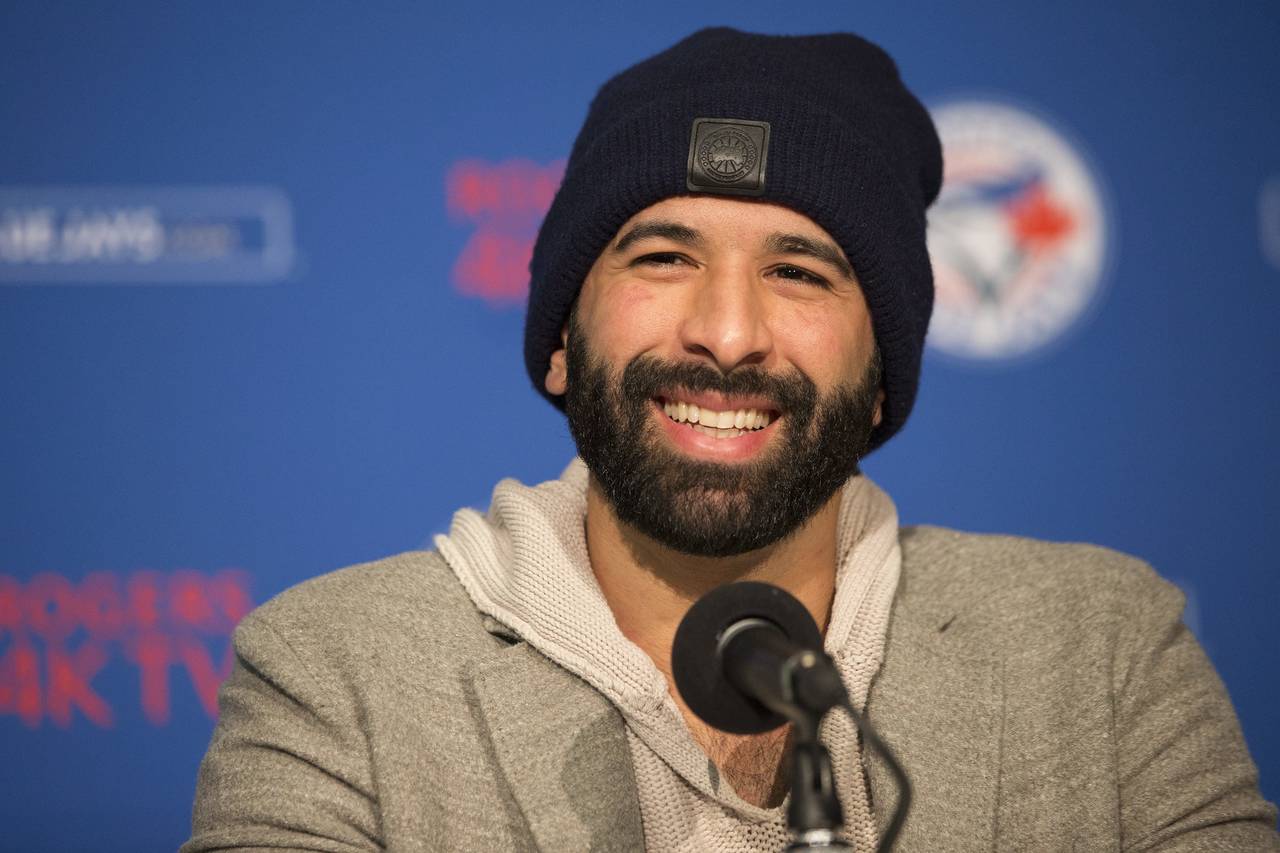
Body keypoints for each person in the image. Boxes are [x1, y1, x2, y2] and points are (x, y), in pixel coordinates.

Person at [183, 28, 1279, 852]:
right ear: (560, 339)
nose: (726, 331)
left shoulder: (1102, 652)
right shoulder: (335, 672)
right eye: (664, 258)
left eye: (797, 272)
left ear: (882, 376)